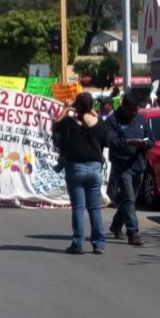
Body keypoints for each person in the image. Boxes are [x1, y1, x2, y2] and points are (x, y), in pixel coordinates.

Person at [53, 92, 108, 254]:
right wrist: (92, 112)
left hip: (75, 168)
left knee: (78, 207)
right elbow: (106, 139)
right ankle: (98, 244)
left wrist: (65, 109)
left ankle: (78, 243)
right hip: (95, 168)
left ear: (76, 107)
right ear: (92, 107)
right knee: (95, 207)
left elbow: (55, 126)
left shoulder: (69, 123)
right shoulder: (100, 125)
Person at [106, 94, 154, 246]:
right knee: (129, 198)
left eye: (136, 110)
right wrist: (127, 142)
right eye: (132, 110)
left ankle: (115, 225)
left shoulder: (141, 119)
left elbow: (151, 139)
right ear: (124, 107)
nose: (134, 114)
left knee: (128, 199)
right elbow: (110, 141)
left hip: (138, 164)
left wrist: (145, 144)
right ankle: (133, 232)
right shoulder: (113, 120)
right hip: (122, 165)